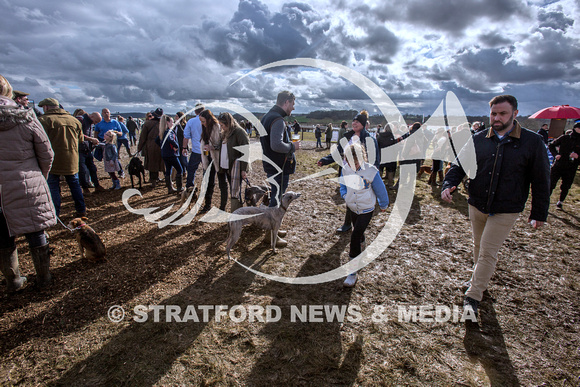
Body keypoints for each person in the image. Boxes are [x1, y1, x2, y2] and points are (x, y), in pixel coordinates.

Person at [441, 94, 550, 318]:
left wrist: (539, 212)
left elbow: (541, 179)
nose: (497, 118)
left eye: (502, 113)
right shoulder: (478, 139)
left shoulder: (532, 142)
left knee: (488, 252)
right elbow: (459, 165)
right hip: (477, 203)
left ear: (515, 114)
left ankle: (473, 295)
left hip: (506, 208)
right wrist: (449, 183)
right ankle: (479, 280)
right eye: (493, 113)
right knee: (478, 247)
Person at [0, 75, 56, 292]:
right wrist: (38, 176)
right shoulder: (26, 117)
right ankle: (44, 277)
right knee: (35, 229)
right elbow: (47, 152)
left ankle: (13, 280)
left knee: (3, 234)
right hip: (27, 181)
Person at [318, 110, 380, 232]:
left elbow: (376, 159)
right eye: (353, 121)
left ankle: (359, 228)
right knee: (350, 197)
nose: (354, 123)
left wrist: (373, 174)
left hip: (363, 174)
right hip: (348, 172)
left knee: (362, 198)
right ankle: (347, 224)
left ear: (363, 124)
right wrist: (325, 160)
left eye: (357, 121)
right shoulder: (347, 137)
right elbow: (337, 153)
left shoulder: (369, 139)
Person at [339, 143, 389, 287]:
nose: (352, 164)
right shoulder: (345, 169)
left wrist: (384, 204)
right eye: (349, 161)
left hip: (367, 209)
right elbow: (343, 184)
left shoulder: (371, 171)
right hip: (352, 207)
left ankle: (352, 273)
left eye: (355, 161)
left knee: (354, 235)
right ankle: (362, 242)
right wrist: (344, 195)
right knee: (358, 232)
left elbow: (380, 189)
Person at [260, 91, 301, 247]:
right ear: (286, 102)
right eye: (293, 104)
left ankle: (274, 229)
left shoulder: (266, 117)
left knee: (275, 198)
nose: (293, 108)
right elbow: (276, 144)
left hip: (272, 165)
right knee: (275, 201)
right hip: (279, 167)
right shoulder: (277, 120)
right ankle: (271, 236)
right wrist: (292, 146)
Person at [37, 97, 86, 217]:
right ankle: (81, 209)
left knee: (53, 186)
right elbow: (80, 139)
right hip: (71, 158)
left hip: (53, 159)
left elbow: (39, 141)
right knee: (75, 184)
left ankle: (56, 212)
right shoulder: (73, 120)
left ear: (46, 107)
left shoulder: (44, 120)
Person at [217, 112, 250, 212]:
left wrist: (244, 169)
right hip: (225, 166)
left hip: (235, 167)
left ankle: (237, 213)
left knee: (235, 191)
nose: (221, 127)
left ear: (228, 123)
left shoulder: (239, 132)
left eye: (222, 125)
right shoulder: (224, 133)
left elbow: (245, 150)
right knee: (232, 190)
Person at [548, 122, 580, 209]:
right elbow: (551, 145)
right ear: (575, 128)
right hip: (559, 164)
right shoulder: (565, 138)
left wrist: (577, 156)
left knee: (566, 185)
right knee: (551, 183)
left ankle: (560, 202)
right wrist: (556, 155)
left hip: (571, 167)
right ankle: (546, 199)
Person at [78, 111, 105, 194]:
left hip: (87, 149)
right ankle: (85, 188)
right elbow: (77, 134)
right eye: (95, 121)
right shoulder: (80, 120)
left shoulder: (89, 123)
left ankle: (97, 185)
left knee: (92, 168)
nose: (95, 123)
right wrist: (91, 139)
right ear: (92, 116)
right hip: (79, 149)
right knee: (82, 170)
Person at [137, 108, 165, 188]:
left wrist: (139, 148)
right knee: (162, 163)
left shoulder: (147, 123)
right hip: (161, 145)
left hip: (151, 146)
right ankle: (166, 181)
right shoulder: (164, 123)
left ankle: (153, 181)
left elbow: (143, 137)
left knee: (152, 163)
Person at [156, 115, 183, 194]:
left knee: (168, 170)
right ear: (167, 122)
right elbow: (170, 139)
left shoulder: (162, 132)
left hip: (165, 154)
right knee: (179, 169)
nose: (173, 123)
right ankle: (179, 188)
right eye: (171, 121)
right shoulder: (168, 131)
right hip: (172, 154)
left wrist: (163, 147)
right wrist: (176, 146)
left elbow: (157, 140)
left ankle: (170, 188)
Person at [94, 108, 124, 177]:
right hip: (103, 141)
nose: (106, 114)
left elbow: (121, 133)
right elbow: (96, 132)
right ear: (102, 114)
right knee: (106, 158)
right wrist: (95, 140)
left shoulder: (115, 122)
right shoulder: (99, 123)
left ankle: (120, 172)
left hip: (113, 142)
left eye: (107, 112)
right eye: (104, 112)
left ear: (110, 113)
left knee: (114, 157)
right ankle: (111, 173)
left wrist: (115, 132)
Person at [183, 103, 205, 190]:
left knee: (191, 170)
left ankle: (189, 186)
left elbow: (186, 136)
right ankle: (206, 187)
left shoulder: (191, 121)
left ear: (195, 111)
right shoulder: (209, 121)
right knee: (206, 170)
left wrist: (184, 148)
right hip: (206, 151)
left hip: (196, 150)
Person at [174, 112, 188, 179]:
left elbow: (184, 134)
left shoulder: (184, 125)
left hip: (183, 146)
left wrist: (179, 125)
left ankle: (187, 172)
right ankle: (181, 173)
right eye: (175, 116)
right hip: (176, 146)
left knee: (184, 161)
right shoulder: (174, 126)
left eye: (177, 116)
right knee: (178, 160)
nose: (175, 118)